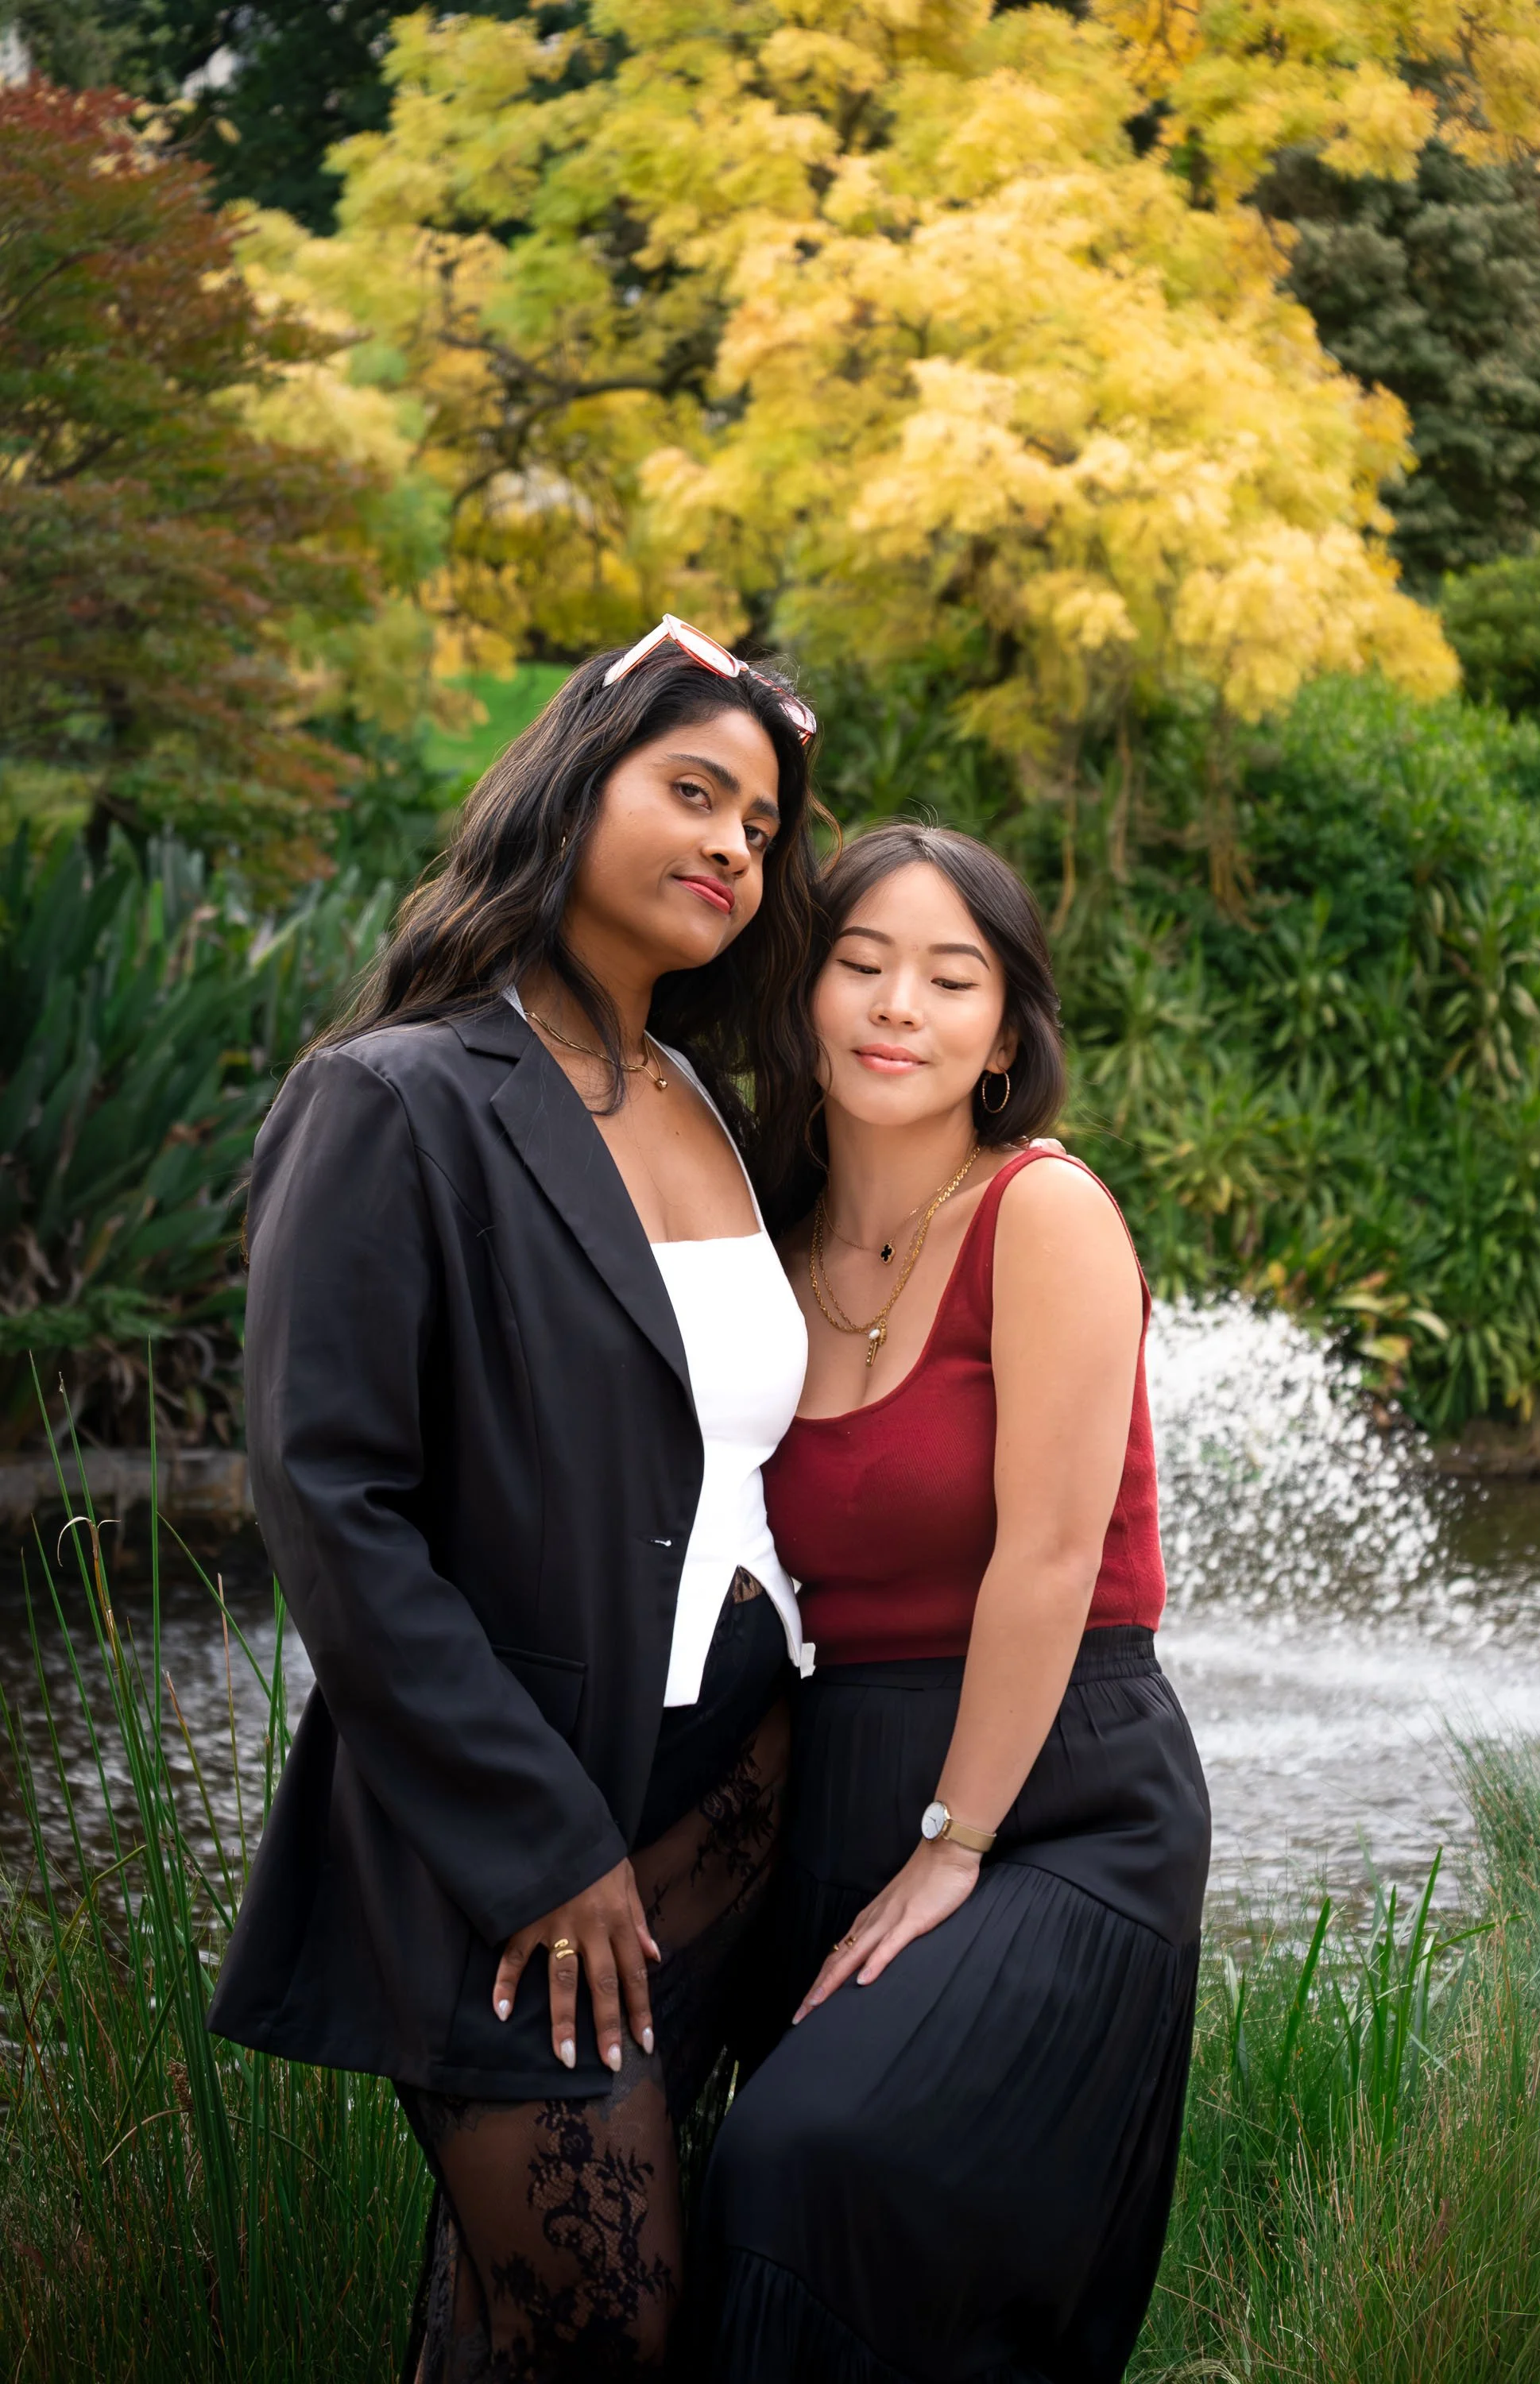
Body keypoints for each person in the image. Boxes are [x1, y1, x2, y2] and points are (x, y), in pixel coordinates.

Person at [207, 619, 829, 2380]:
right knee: (597, 2321)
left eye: (762, 825)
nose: (731, 845)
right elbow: (332, 1501)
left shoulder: (708, 1100)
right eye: (691, 793)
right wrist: (537, 1844)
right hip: (515, 1837)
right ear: (574, 791)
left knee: (519, 2323)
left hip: (738, 1795)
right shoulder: (396, 1096)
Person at [698, 822, 1211, 2383]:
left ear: (1003, 1035)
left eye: (948, 975)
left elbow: (1050, 1557)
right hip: (839, 1779)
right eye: (857, 964)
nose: (894, 1005)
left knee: (801, 2156)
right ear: (800, 995)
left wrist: (956, 1847)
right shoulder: (758, 1253)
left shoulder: (1042, 1212)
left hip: (1056, 1803)